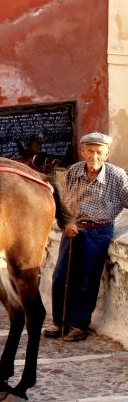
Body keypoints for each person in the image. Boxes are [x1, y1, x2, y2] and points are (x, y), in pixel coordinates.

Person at [44, 132, 128, 342]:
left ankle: (78, 325)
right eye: (90, 151)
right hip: (74, 229)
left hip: (99, 231)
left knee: (86, 279)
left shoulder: (117, 177)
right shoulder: (73, 172)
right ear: (83, 151)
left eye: (99, 152)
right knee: (61, 276)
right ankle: (60, 322)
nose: (94, 156)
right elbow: (61, 202)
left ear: (107, 154)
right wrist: (67, 223)